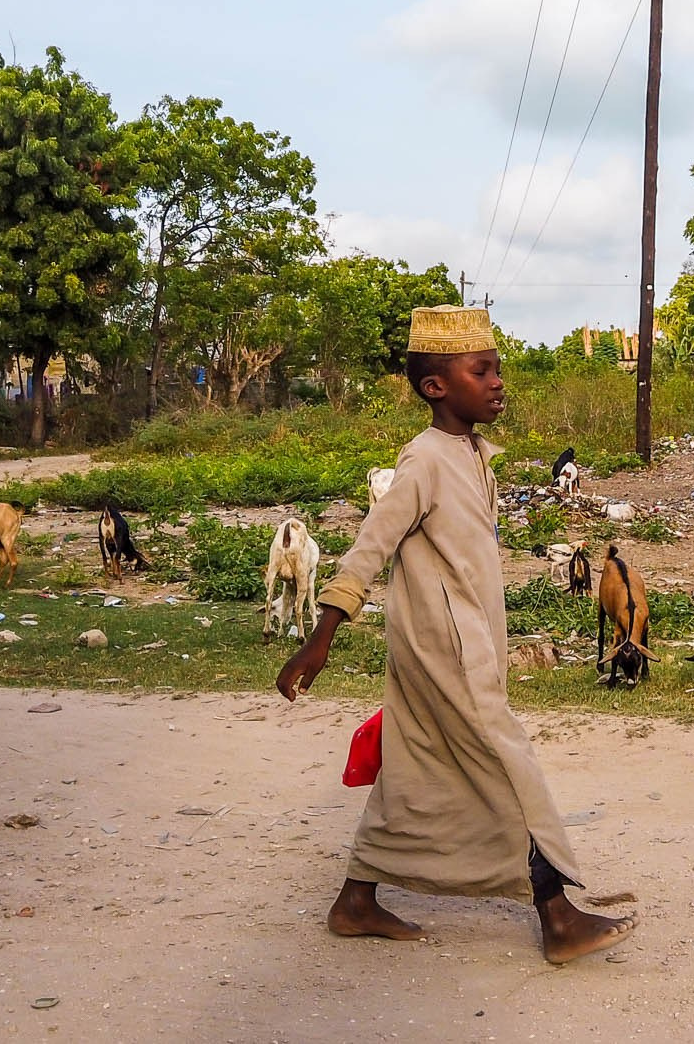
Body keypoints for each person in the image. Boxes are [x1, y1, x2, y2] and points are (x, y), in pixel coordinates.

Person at [276, 305, 634, 965]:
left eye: (497, 369)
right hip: (446, 653)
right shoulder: (424, 462)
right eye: (482, 370)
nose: (498, 382)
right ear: (436, 387)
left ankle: (355, 900)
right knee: (508, 763)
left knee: (415, 770)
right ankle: (555, 914)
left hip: (468, 646)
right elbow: (368, 549)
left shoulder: (472, 454)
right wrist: (321, 635)